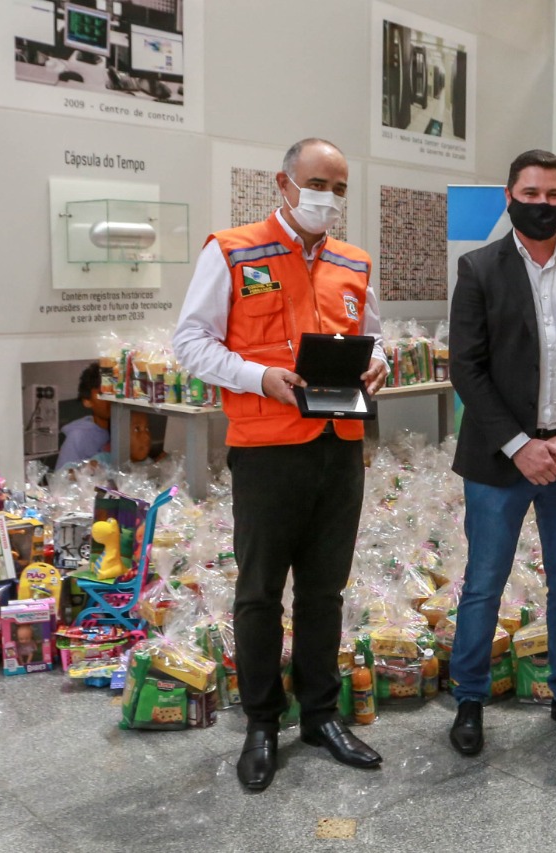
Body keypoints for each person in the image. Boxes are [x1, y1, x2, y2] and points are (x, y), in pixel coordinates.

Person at [173, 138, 389, 791]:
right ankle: (263, 721)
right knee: (261, 591)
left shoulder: (353, 260)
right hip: (267, 449)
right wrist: (259, 376)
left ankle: (320, 715)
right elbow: (188, 342)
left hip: (340, 445)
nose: (328, 196)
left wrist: (383, 360)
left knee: (326, 590)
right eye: (317, 182)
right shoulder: (233, 250)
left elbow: (375, 334)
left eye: (340, 187)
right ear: (285, 182)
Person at [446, 149, 556, 756]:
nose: (543, 204)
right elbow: (467, 369)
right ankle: (469, 698)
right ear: (509, 195)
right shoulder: (478, 269)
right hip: (501, 458)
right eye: (532, 193)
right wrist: (522, 445)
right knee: (483, 583)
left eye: (555, 195)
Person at [55, 362, 110, 470]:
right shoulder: (78, 437)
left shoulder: (124, 430)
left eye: (112, 392)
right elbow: (61, 480)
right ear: (87, 401)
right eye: (102, 394)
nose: (110, 399)